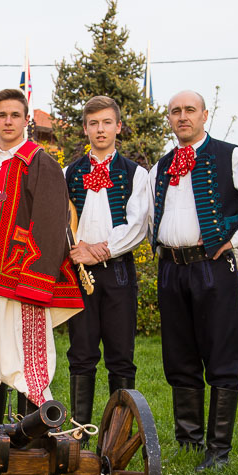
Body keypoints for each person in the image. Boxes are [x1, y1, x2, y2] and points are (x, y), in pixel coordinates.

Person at [149, 89, 238, 471]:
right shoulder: (160, 167)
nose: (183, 116)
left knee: (222, 355)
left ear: (204, 115)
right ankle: (189, 442)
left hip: (212, 267)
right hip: (171, 269)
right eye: (175, 111)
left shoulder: (231, 156)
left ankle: (218, 451)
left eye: (190, 110)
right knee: (179, 356)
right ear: (169, 118)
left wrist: (237, 237)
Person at [0, 88, 84, 423]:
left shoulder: (41, 163)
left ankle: (31, 442)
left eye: (15, 115)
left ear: (26, 120)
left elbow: (51, 224)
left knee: (26, 363)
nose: (8, 121)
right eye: (2, 115)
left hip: (21, 280)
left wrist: (36, 282)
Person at [64, 96, 150, 439]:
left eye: (107, 122)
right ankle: (79, 435)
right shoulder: (69, 172)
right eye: (94, 123)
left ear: (118, 127)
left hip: (117, 271)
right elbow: (62, 219)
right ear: (86, 129)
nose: (100, 129)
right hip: (79, 273)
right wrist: (77, 250)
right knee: (81, 353)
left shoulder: (135, 173)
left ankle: (118, 436)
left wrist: (100, 250)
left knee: (120, 356)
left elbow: (138, 224)